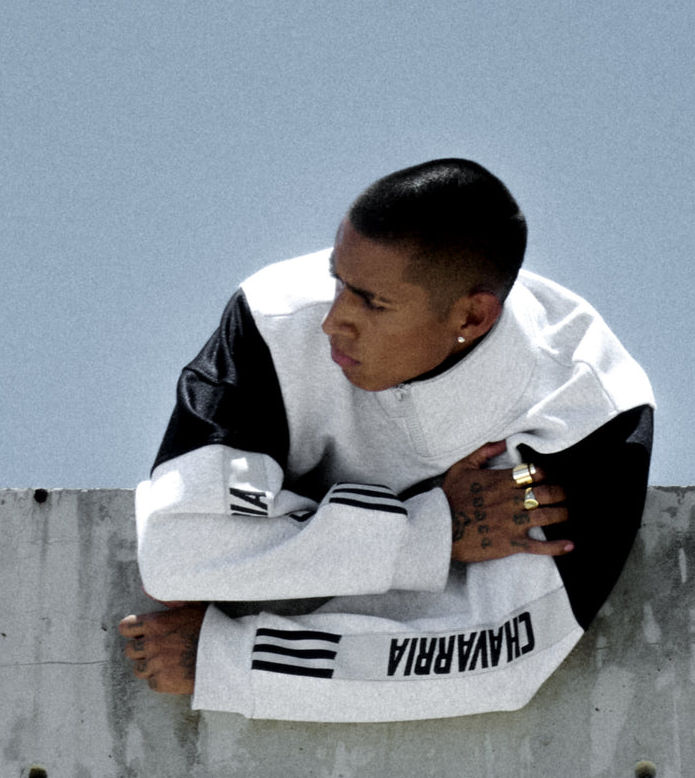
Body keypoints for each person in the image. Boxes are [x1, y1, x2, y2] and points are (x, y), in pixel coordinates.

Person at [119, 159, 654, 722]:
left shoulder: (584, 409)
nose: (333, 321)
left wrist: (230, 660)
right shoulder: (273, 319)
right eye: (337, 279)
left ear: (472, 317)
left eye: (373, 303)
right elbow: (180, 551)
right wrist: (430, 534)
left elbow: (499, 655)